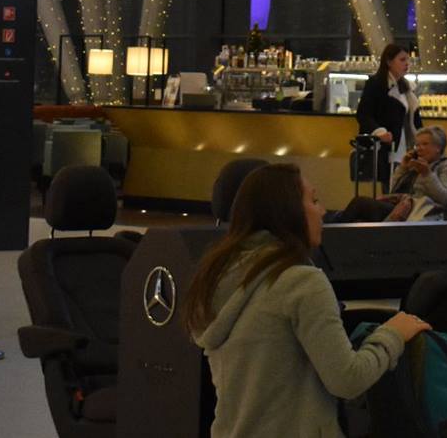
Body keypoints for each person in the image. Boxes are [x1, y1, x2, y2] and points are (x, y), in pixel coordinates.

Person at [184, 161, 432, 437]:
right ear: (287, 212)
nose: (323, 211)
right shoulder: (301, 282)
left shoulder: (219, 276)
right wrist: (393, 333)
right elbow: (347, 379)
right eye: (314, 201)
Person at [356, 43, 417, 186]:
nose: (407, 64)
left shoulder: (406, 87)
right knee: (390, 183)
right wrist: (379, 132)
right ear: (389, 62)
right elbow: (363, 114)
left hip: (405, 144)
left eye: (408, 60)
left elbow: (413, 118)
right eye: (402, 60)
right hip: (387, 146)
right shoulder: (376, 84)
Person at [390, 125, 447, 213]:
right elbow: (393, 191)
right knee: (376, 206)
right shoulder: (417, 164)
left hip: (428, 213)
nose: (419, 149)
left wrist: (427, 174)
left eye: (425, 144)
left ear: (438, 147)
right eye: (417, 145)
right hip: (405, 207)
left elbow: (444, 198)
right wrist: (403, 168)